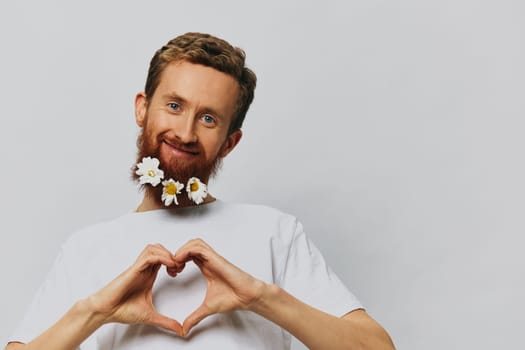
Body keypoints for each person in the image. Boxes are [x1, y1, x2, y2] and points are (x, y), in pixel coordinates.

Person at [6, 32, 395, 350]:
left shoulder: (274, 232)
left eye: (208, 118)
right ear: (142, 108)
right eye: (174, 105)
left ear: (230, 142)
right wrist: (96, 312)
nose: (186, 133)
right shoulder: (85, 249)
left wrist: (261, 297)